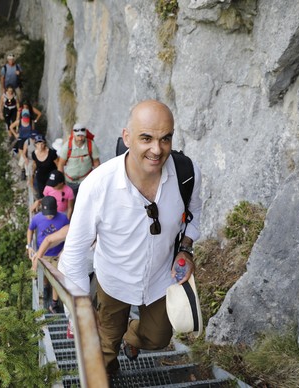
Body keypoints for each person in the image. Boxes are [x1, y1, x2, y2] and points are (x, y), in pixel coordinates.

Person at [58, 100, 203, 375]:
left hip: (160, 278)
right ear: (127, 137)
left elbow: (194, 212)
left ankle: (131, 337)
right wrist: (79, 314)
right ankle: (107, 374)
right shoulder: (98, 185)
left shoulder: (187, 174)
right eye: (146, 138)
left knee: (158, 338)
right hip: (114, 282)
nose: (156, 150)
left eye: (165, 139)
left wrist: (186, 249)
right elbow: (74, 253)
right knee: (105, 349)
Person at [27, 196, 70, 314]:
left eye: (51, 214)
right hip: (43, 253)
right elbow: (30, 229)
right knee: (45, 276)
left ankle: (54, 303)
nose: (49, 216)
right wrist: (29, 246)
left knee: (56, 279)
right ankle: (45, 288)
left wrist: (64, 250)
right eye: (47, 214)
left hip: (57, 254)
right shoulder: (37, 218)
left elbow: (68, 234)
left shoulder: (63, 218)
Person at [57, 123, 101, 198]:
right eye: (78, 136)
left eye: (82, 136)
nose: (80, 138)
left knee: (87, 199)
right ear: (74, 135)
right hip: (71, 181)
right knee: (72, 200)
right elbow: (60, 164)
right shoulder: (67, 147)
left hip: (87, 179)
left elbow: (96, 162)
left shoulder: (91, 145)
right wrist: (61, 181)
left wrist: (98, 178)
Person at [30, 135, 59, 199]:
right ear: (35, 145)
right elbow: (34, 164)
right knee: (42, 194)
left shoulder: (51, 153)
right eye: (38, 144)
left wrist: (59, 176)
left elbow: (58, 164)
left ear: (45, 143)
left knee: (53, 193)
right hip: (41, 177)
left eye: (42, 143)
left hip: (51, 176)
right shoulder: (34, 154)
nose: (40, 146)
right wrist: (32, 175)